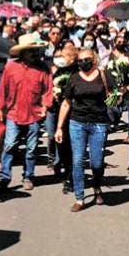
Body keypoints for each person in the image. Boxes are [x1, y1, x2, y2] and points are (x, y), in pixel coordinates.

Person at [54, 48, 115, 212]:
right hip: (77, 123)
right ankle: (79, 198)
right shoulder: (74, 78)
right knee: (78, 161)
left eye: (86, 59)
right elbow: (66, 103)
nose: (83, 63)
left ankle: (96, 187)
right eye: (80, 60)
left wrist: (119, 95)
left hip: (99, 123)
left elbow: (114, 95)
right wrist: (59, 128)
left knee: (96, 162)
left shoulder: (104, 75)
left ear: (94, 59)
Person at [0, 34, 52, 192]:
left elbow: (48, 90)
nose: (34, 54)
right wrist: (0, 108)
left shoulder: (43, 68)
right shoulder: (10, 67)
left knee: (31, 148)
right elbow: (3, 89)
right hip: (13, 113)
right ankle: (5, 177)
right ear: (22, 53)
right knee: (9, 145)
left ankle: (28, 176)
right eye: (30, 51)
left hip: (34, 114)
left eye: (35, 51)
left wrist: (45, 107)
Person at [45, 44, 77, 193]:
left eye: (63, 56)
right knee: (63, 145)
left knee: (73, 146)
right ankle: (64, 166)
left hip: (76, 113)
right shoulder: (59, 72)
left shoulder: (77, 71)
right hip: (60, 112)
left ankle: (70, 177)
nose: (60, 59)